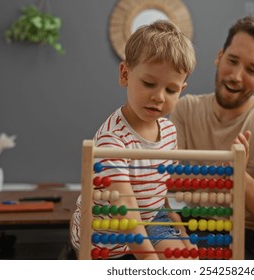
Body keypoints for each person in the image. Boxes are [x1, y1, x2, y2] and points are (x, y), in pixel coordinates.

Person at [169, 16, 254, 260]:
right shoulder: (185, 110)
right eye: (232, 61)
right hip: (185, 225)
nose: (235, 75)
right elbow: (169, 186)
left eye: (252, 70)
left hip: (247, 237)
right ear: (219, 57)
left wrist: (238, 176)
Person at [71, 20, 197, 260]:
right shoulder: (112, 141)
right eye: (149, 84)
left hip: (149, 216)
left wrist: (182, 236)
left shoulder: (169, 131)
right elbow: (125, 214)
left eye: (171, 90)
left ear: (182, 89)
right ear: (125, 74)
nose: (159, 97)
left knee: (185, 261)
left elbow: (161, 192)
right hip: (107, 231)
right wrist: (150, 260)